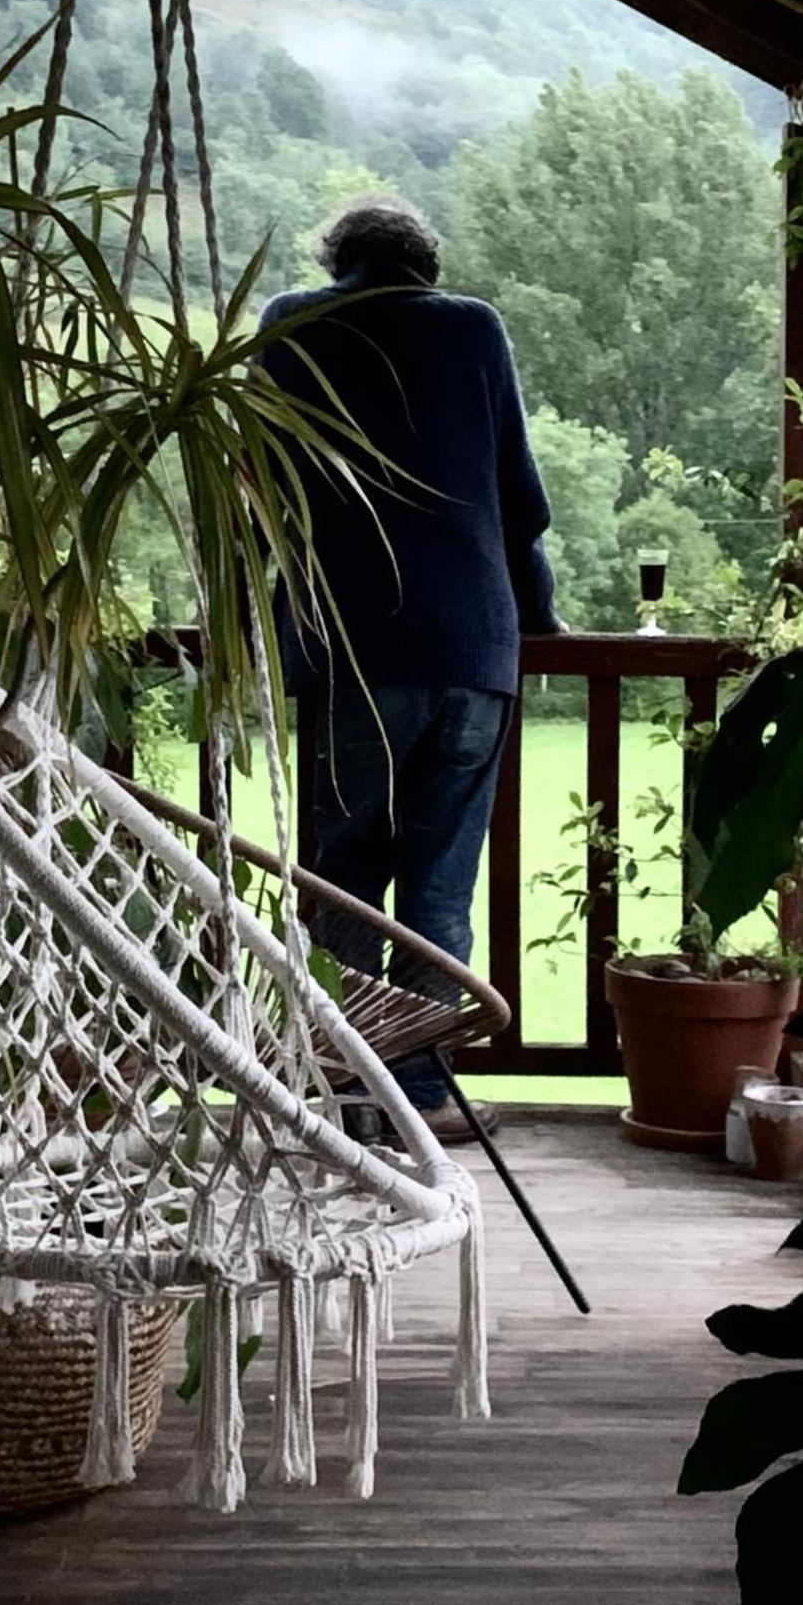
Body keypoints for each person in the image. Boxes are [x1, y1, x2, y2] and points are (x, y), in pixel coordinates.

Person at [257, 197, 561, 1144]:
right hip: (475, 645)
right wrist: (538, 617)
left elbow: (261, 482)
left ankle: (349, 1097)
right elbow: (517, 497)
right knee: (439, 884)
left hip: (352, 647)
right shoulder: (473, 328)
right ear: (425, 265)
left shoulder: (294, 326)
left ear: (336, 259)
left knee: (343, 876)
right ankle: (422, 1097)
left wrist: (238, 611)